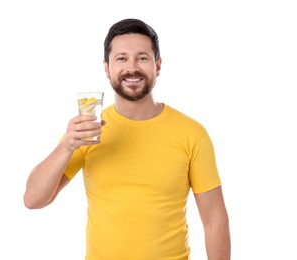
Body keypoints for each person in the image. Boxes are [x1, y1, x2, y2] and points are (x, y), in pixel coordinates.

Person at [24, 18, 231, 260]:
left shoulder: (192, 133)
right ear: (106, 67)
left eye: (142, 58)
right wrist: (66, 147)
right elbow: (33, 200)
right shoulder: (87, 131)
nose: (131, 68)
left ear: (158, 65)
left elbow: (214, 219)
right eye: (121, 58)